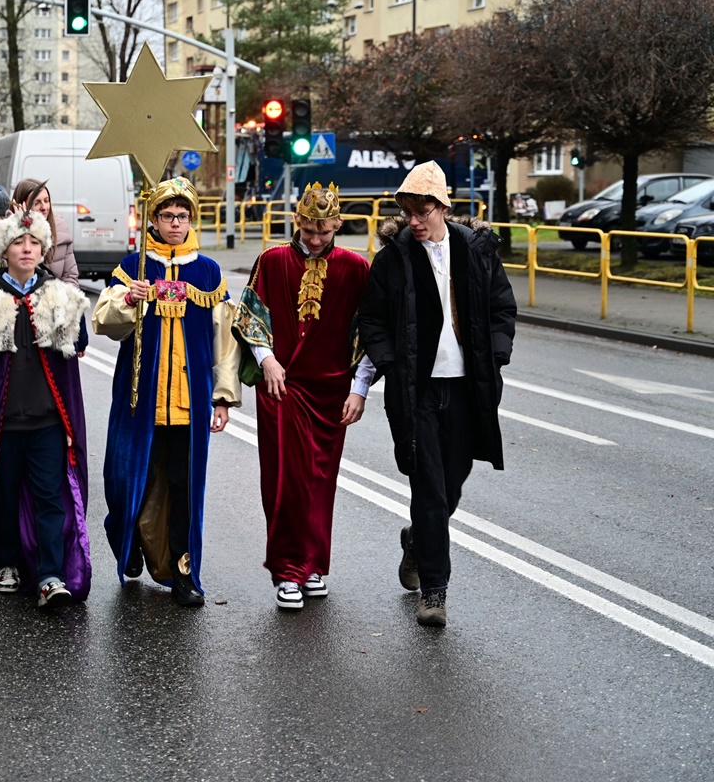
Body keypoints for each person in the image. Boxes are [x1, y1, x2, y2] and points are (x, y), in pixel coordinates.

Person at [358, 161, 517, 628]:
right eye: (407, 212)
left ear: (443, 207)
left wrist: (496, 355)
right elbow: (372, 320)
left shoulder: (476, 251)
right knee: (428, 488)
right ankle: (434, 591)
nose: (413, 221)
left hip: (467, 388)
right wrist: (390, 364)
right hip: (417, 392)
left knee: (451, 484)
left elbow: (502, 308)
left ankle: (417, 540)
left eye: (421, 211)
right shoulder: (393, 259)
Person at [93, 177, 241, 607]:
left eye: (182, 216)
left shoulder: (208, 272)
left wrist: (222, 396)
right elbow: (105, 323)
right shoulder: (134, 265)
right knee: (126, 479)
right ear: (153, 220)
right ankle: (130, 540)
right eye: (167, 216)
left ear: (192, 219)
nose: (175, 223)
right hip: (139, 401)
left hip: (188, 405)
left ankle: (183, 573)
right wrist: (129, 300)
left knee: (184, 488)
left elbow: (224, 339)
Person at [233, 183, 374, 610]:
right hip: (283, 386)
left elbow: (370, 332)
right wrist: (267, 359)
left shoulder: (355, 267)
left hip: (332, 392)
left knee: (319, 482)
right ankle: (287, 571)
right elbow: (250, 316)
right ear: (297, 221)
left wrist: (359, 389)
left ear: (338, 225)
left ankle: (311, 565)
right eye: (308, 230)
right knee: (286, 480)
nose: (314, 239)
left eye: (323, 232)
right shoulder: (272, 260)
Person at [0, 208, 91, 608]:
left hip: (48, 420)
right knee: (4, 495)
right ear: (4, 251)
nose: (27, 249)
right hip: (2, 422)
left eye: (34, 242)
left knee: (50, 498)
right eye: (18, 242)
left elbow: (75, 353)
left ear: (44, 249)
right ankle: (7, 563)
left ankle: (50, 575)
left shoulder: (59, 295)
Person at [11, 179, 78, 286]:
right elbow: (17, 278)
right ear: (22, 206)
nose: (44, 207)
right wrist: (23, 229)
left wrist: (61, 295)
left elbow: (70, 276)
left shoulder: (60, 228)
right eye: (36, 203)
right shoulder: (9, 235)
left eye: (46, 201)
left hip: (59, 295)